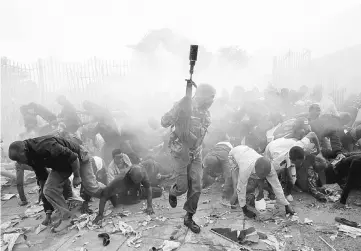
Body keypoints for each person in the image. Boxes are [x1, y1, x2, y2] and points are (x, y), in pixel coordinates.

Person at [161, 83, 216, 234]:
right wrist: (180, 107)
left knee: (197, 186)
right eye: (211, 97)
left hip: (196, 154)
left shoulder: (207, 113)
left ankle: (189, 217)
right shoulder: (184, 106)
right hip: (180, 152)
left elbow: (200, 135)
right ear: (201, 95)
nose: (213, 101)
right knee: (183, 187)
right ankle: (173, 192)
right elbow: (164, 122)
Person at [8, 135, 84, 230]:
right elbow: (42, 176)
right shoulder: (29, 156)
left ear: (24, 150)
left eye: (18, 159)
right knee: (48, 190)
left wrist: (77, 176)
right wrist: (46, 204)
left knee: (91, 187)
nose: (19, 163)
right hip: (61, 167)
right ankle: (67, 218)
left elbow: (73, 157)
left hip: (79, 158)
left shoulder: (44, 146)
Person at [228, 145, 295, 218]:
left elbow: (277, 186)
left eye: (264, 176)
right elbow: (241, 187)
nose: (262, 177)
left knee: (254, 184)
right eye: (259, 175)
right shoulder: (245, 169)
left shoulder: (270, 168)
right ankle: (235, 196)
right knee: (238, 185)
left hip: (247, 152)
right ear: (255, 170)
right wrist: (245, 210)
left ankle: (247, 196)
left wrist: (286, 204)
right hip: (234, 155)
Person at [93, 164, 158, 224]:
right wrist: (100, 214)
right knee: (120, 201)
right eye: (135, 180)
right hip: (124, 189)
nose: (136, 182)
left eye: (139, 181)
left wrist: (149, 206)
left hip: (137, 189)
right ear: (130, 175)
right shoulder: (121, 178)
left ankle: (137, 193)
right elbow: (104, 195)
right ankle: (115, 196)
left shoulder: (143, 173)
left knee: (159, 192)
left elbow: (148, 188)